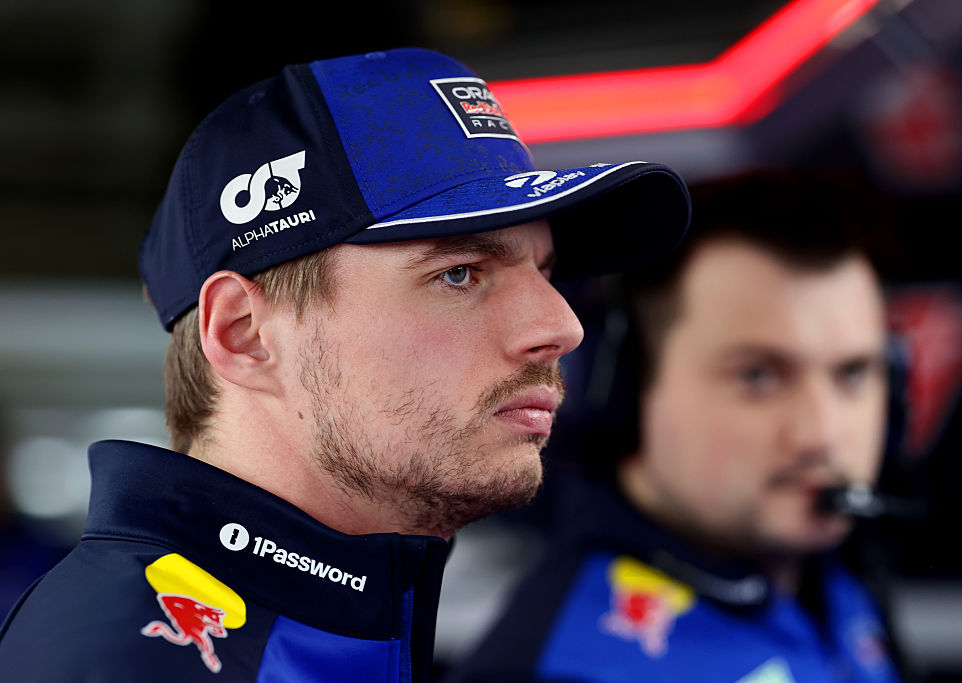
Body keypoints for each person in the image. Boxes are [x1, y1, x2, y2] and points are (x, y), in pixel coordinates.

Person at [0, 47, 690, 681]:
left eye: (546, 271)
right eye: (460, 273)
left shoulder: (323, 628)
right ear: (243, 334)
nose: (562, 326)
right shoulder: (131, 662)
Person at [447, 171, 904, 682]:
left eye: (853, 373)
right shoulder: (559, 668)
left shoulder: (833, 583)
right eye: (758, 376)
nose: (822, 435)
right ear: (624, 387)